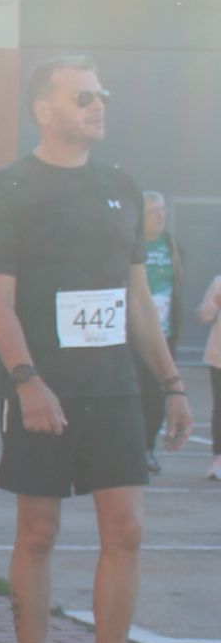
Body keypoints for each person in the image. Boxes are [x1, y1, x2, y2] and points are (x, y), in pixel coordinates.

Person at [0, 54, 191, 643]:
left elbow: (136, 302)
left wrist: (172, 384)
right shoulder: (11, 188)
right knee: (37, 534)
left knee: (125, 532)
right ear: (45, 109)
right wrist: (27, 380)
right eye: (83, 97)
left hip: (115, 388)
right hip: (44, 387)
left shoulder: (121, 188)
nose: (99, 106)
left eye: (102, 96)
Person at [136, 191, 183, 473]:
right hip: (131, 337)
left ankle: (147, 449)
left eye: (162, 210)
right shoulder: (132, 245)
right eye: (153, 211)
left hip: (163, 337)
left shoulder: (173, 247)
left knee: (155, 395)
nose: (159, 216)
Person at [197, 272, 221, 481]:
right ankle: (218, 460)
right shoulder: (219, 282)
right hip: (219, 358)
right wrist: (215, 303)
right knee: (220, 409)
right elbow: (203, 316)